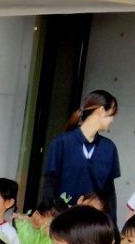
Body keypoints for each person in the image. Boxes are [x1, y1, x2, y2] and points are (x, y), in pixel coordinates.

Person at [41, 90, 121, 222]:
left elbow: (109, 193)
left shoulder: (109, 148)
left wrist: (112, 225)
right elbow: (49, 183)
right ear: (101, 111)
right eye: (112, 114)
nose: (112, 120)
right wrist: (50, 213)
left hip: (93, 222)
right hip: (63, 219)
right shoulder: (61, 143)